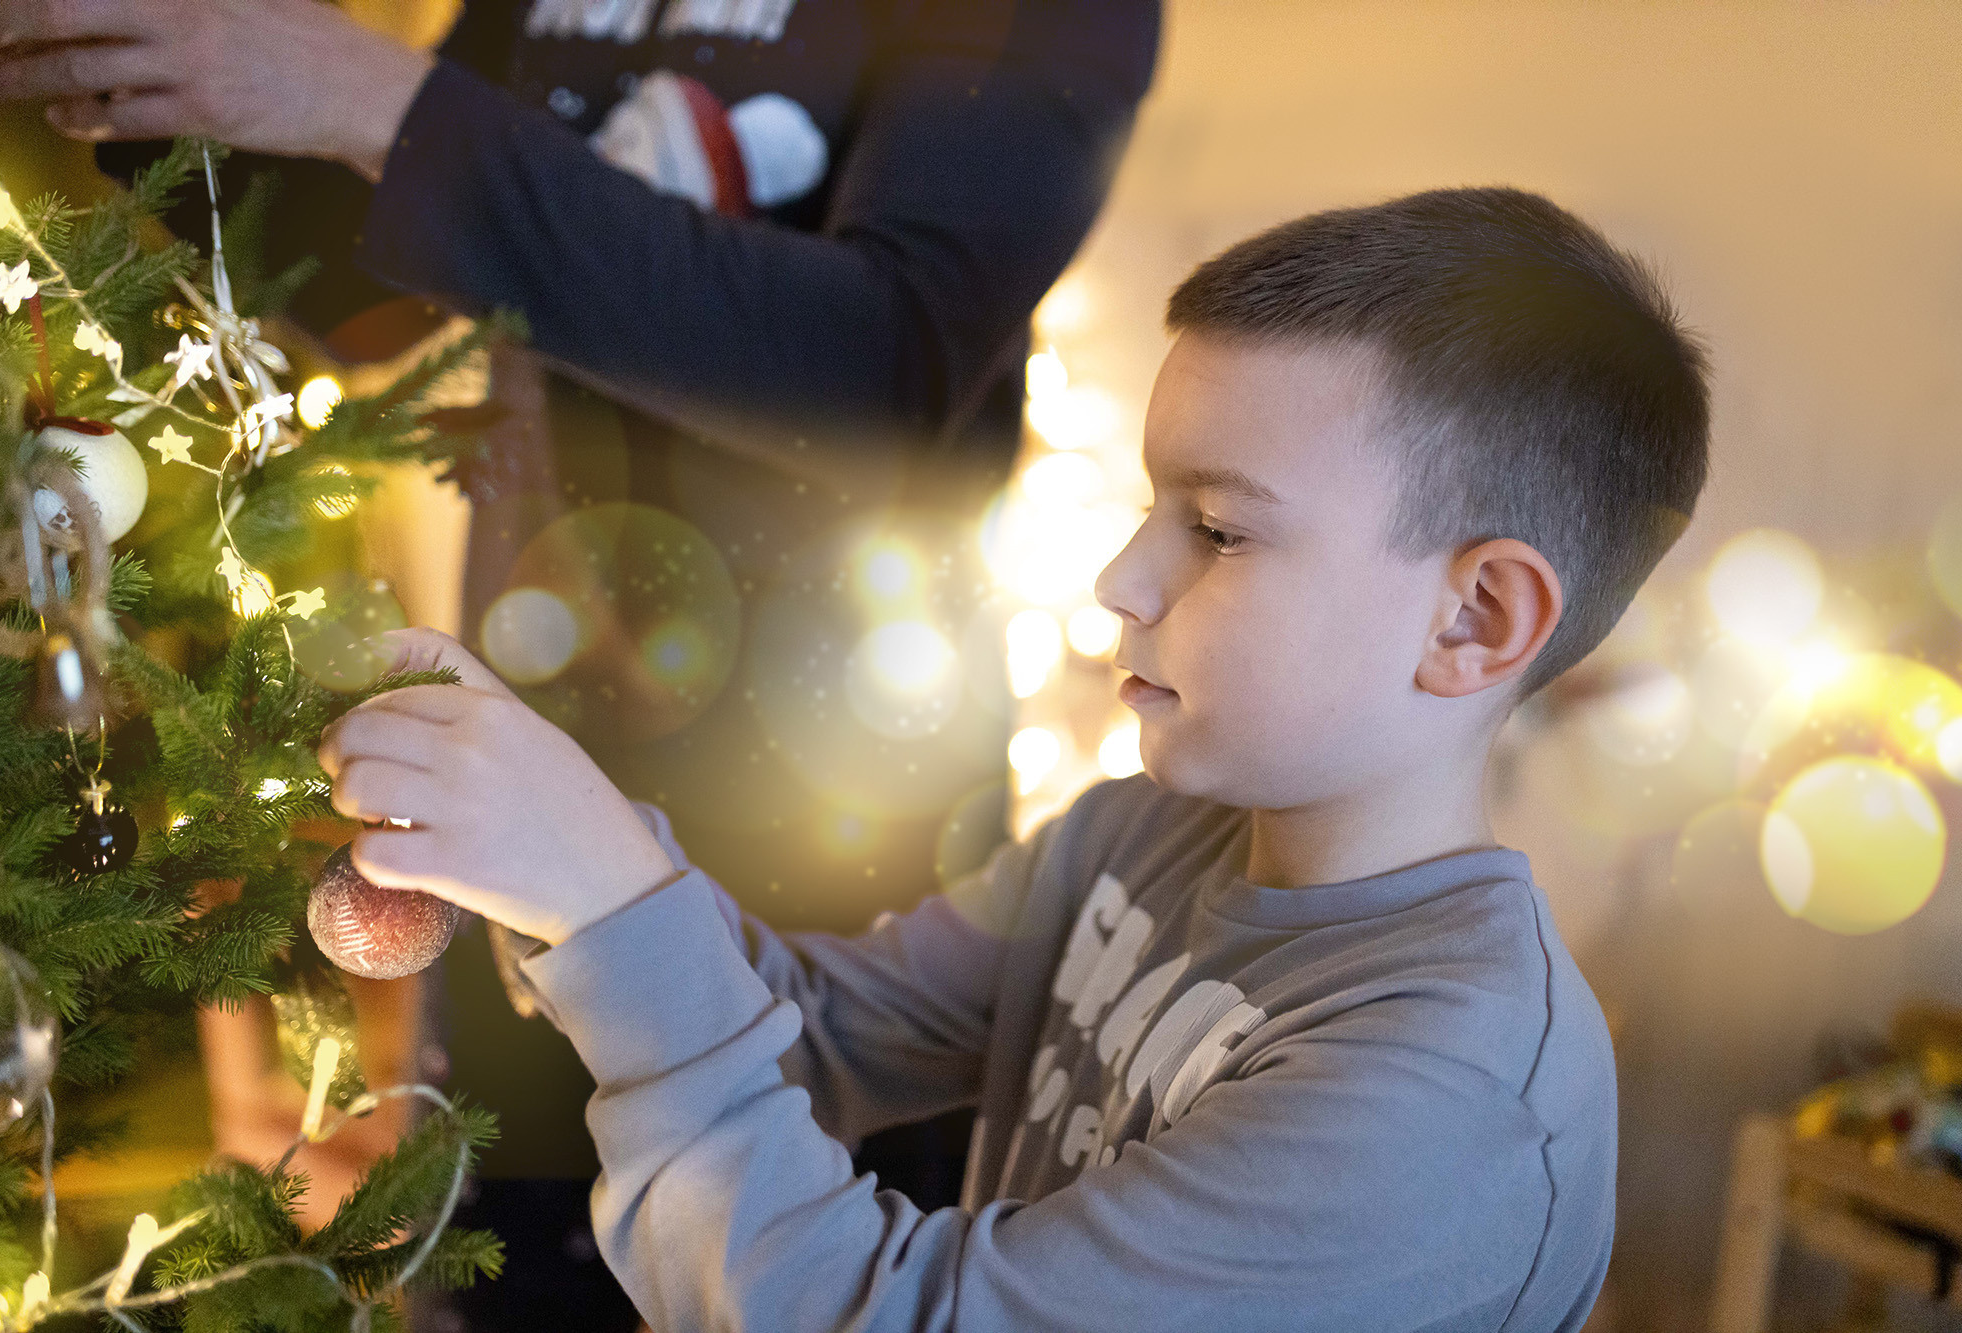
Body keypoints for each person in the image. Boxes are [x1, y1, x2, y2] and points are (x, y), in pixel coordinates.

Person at [312, 185, 1710, 1330]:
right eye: (1152, 506)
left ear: (1474, 618)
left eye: (1217, 530)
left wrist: (616, 901)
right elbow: (814, 1029)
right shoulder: (1130, 836)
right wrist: (556, 847)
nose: (1121, 575)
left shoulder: (1437, 1100)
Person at [0, 1, 1161, 1317]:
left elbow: (881, 366)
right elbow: (379, 288)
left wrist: (381, 103)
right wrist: (163, 78)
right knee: (513, 1267)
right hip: (521, 794)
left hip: (834, 834)